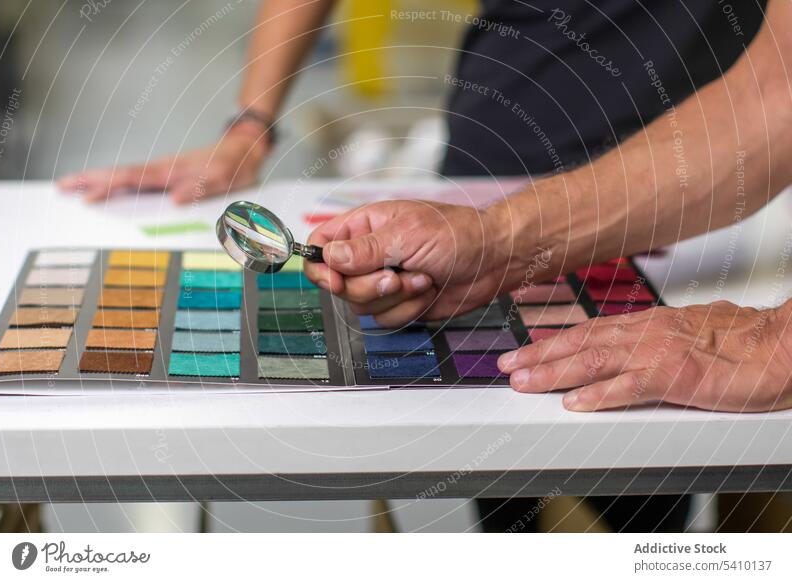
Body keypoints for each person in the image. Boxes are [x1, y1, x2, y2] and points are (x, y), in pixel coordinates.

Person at [55, 1, 788, 532]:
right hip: (496, 155)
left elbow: (778, 87)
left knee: (648, 498)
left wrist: (781, 340)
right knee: (508, 479)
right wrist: (251, 124)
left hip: (707, 205)